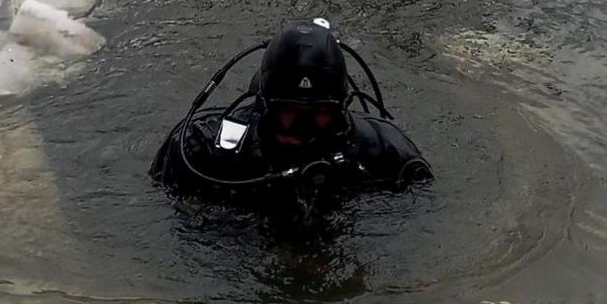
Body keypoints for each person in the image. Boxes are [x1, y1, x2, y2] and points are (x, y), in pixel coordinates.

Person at [150, 19, 431, 207]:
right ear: (264, 105)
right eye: (289, 112)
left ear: (340, 109)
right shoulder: (203, 150)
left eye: (319, 113)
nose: (303, 128)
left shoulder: (384, 152)